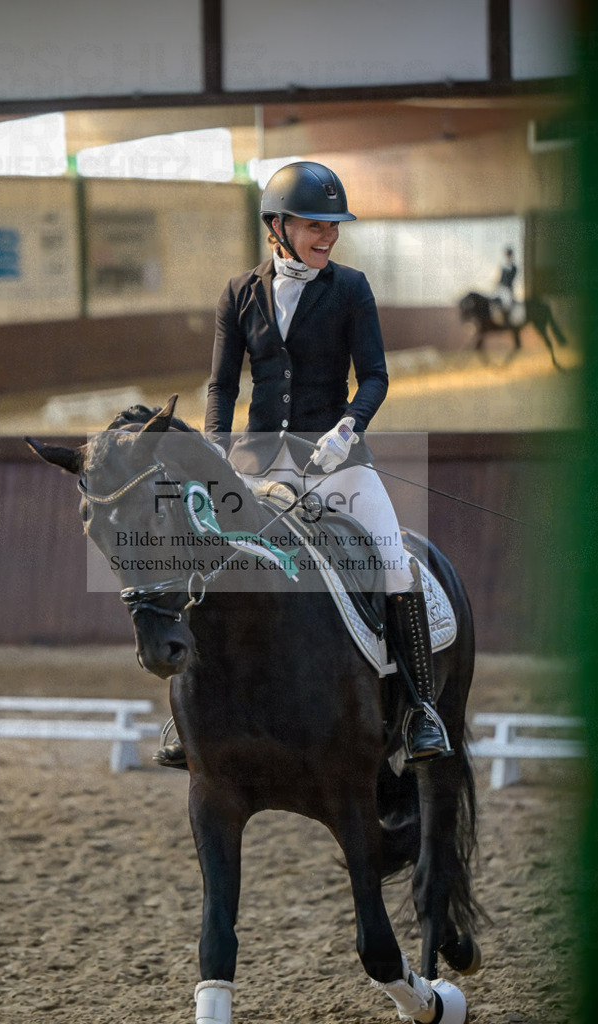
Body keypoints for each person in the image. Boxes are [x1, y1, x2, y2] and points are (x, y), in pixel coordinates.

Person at [156, 161, 450, 769]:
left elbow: (375, 375)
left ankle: (422, 708)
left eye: (333, 226)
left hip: (336, 461)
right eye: (314, 225)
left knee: (393, 559)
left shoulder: (351, 288)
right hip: (258, 463)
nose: (328, 237)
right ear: (277, 226)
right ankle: (189, 714)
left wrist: (349, 427)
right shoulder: (239, 293)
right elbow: (220, 386)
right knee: (207, 561)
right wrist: (215, 447)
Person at [491, 246, 517, 324]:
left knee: (507, 303)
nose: (507, 256)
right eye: (506, 254)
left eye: (509, 254)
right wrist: (497, 283)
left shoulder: (513, 267)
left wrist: (504, 284)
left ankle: (507, 321)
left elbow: (511, 278)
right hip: (501, 288)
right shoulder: (503, 266)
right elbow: (501, 278)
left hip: (508, 289)